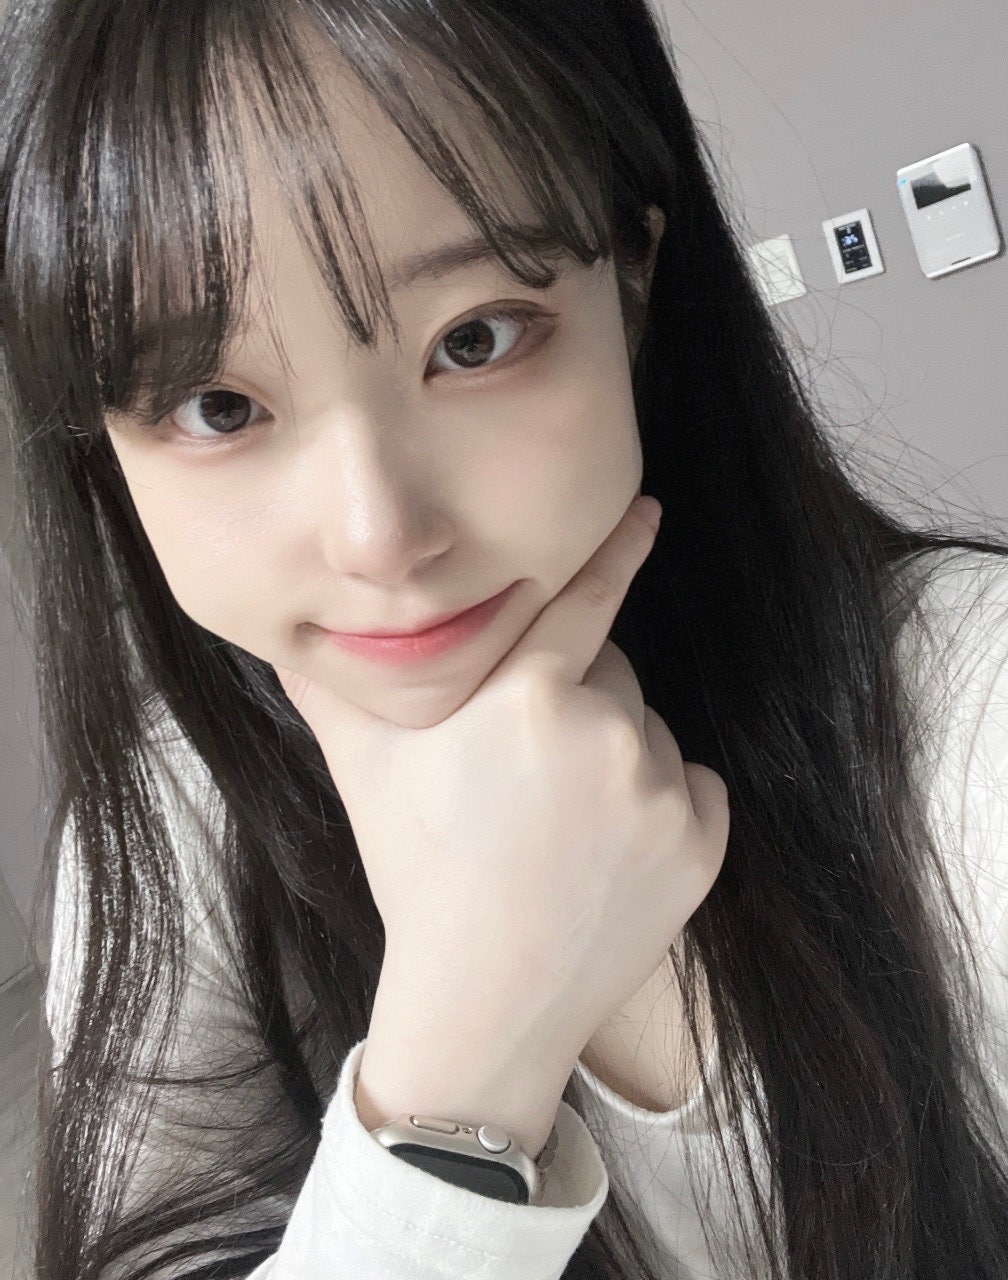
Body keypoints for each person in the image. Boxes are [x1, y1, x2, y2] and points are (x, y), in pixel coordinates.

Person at [2, 1, 1007, 1277]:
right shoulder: (169, 828)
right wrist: (460, 1070)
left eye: (472, 340)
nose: (378, 536)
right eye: (218, 405)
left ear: (631, 284)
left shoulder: (962, 720)